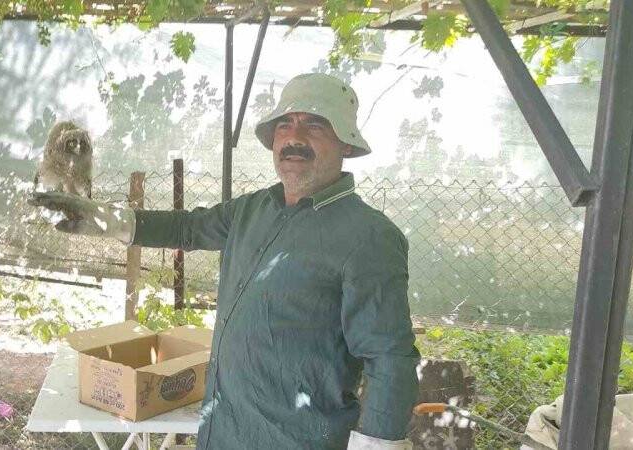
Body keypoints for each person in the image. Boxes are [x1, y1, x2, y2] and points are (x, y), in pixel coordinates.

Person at [29, 73, 420, 449]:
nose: (294, 138)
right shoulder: (254, 209)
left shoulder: (369, 237)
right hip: (224, 429)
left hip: (295, 440)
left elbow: (390, 360)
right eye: (285, 125)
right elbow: (187, 228)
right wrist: (95, 218)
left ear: (346, 145)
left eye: (315, 126)